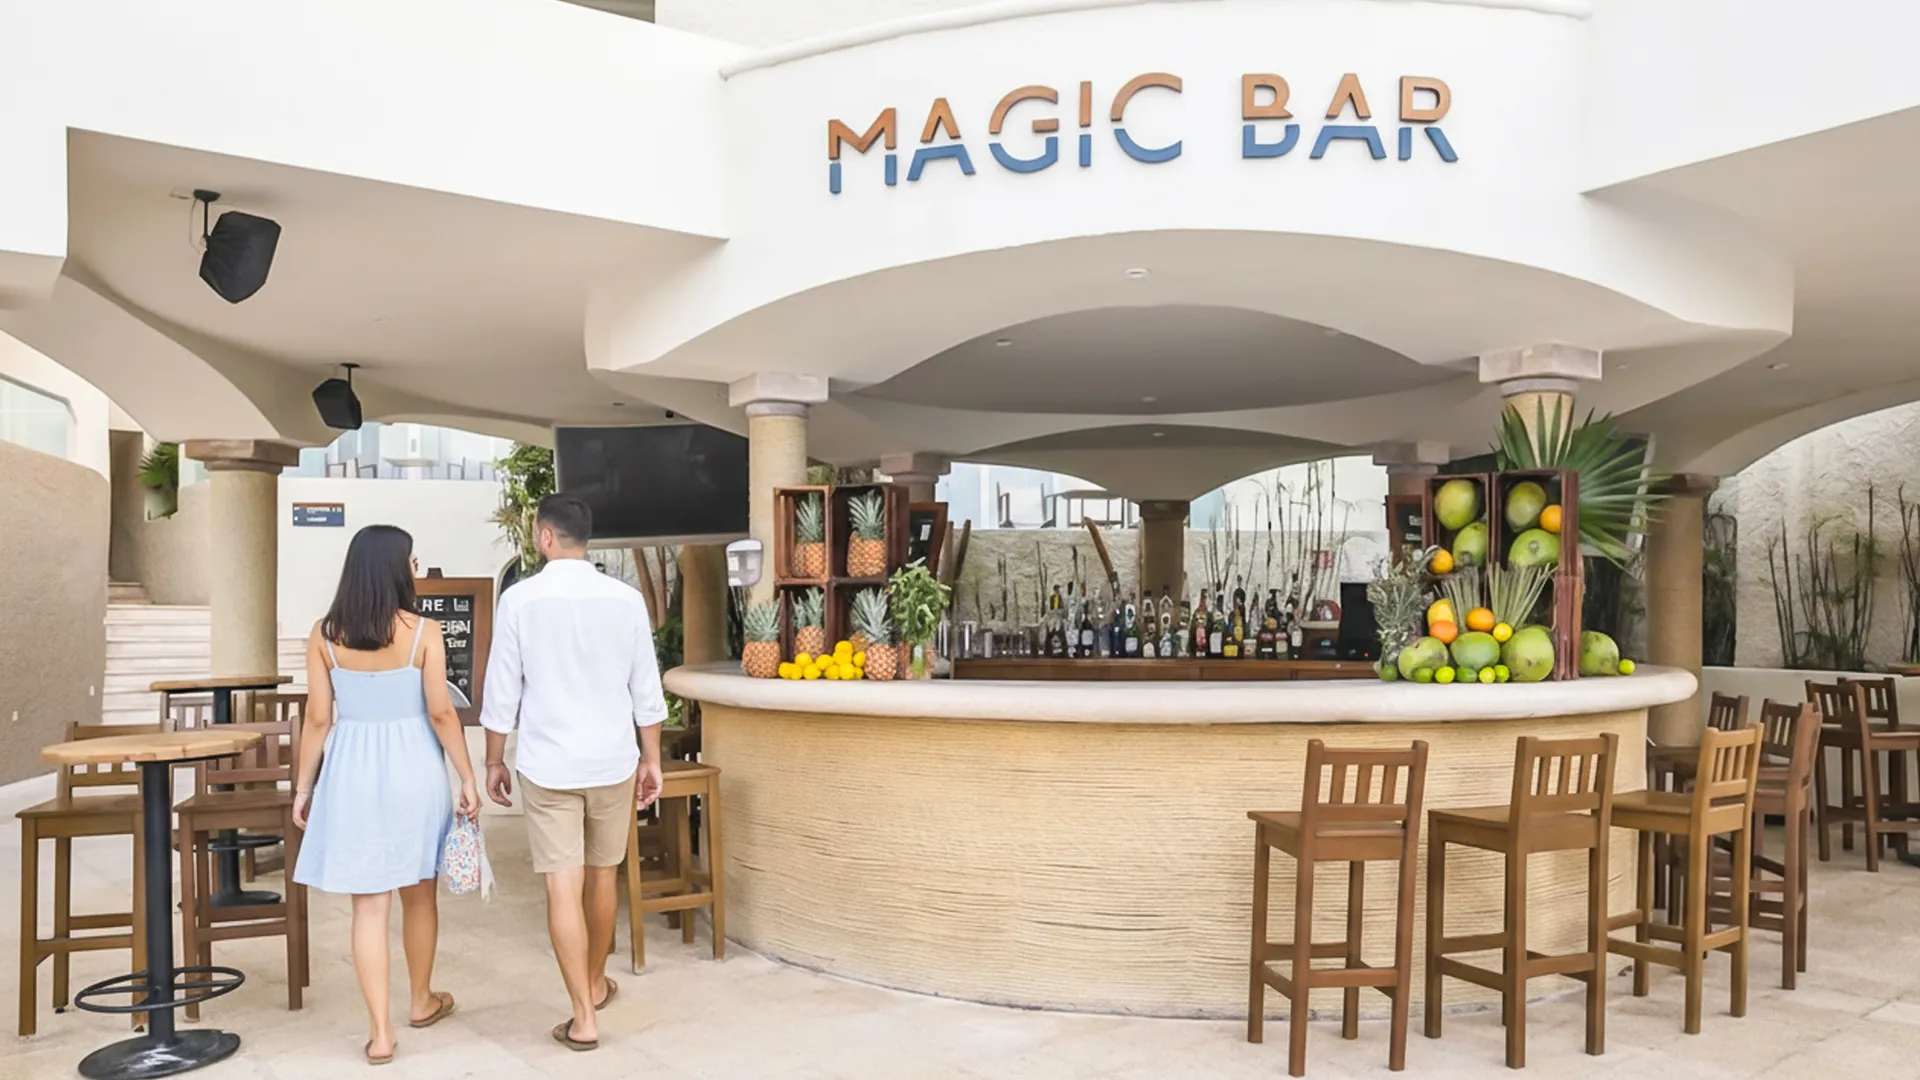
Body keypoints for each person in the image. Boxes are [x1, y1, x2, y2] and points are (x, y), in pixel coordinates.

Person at [481, 493, 667, 1052]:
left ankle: (583, 1014)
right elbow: (646, 689)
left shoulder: (520, 601)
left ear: (544, 537)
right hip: (612, 760)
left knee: (564, 885)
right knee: (603, 876)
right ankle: (593, 981)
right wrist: (651, 759)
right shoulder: (626, 599)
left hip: (549, 763)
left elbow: (502, 690)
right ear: (585, 539)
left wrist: (493, 758)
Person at [291, 524, 482, 1066]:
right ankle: (421, 1000)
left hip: (350, 771)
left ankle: (380, 1033)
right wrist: (467, 775)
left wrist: (304, 787)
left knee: (368, 906)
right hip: (414, 768)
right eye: (413, 561)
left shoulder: (324, 634)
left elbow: (319, 718)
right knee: (419, 892)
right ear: (399, 569)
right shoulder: (424, 631)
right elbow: (443, 712)